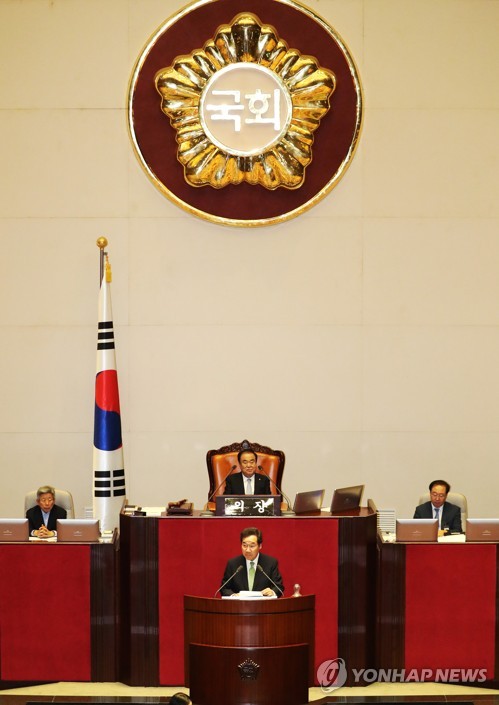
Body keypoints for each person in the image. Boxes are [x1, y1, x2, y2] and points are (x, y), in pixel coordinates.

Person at [220, 526, 284, 597]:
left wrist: (272, 592)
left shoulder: (271, 563)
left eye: (252, 546)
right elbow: (224, 588)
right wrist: (233, 595)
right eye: (244, 545)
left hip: (263, 606)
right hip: (239, 606)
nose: (247, 550)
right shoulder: (233, 564)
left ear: (260, 546)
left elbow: (278, 587)